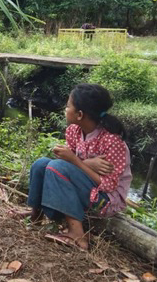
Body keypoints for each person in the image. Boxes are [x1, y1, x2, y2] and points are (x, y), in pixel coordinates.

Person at [25, 83, 132, 251]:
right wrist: (83, 162)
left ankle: (78, 235)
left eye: (68, 106)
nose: (65, 109)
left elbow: (109, 185)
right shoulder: (74, 130)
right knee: (41, 164)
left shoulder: (112, 142)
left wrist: (75, 161)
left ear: (80, 114)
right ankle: (35, 216)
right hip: (84, 187)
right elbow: (70, 163)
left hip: (103, 199)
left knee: (56, 166)